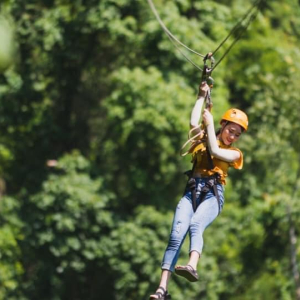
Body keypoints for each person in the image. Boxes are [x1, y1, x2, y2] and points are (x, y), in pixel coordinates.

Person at [149, 82, 248, 300]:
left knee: (196, 225)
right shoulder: (201, 141)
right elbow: (194, 122)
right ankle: (162, 289)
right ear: (224, 126)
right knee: (176, 235)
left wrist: (211, 125)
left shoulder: (235, 154)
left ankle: (192, 266)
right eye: (231, 131)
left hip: (213, 194)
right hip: (191, 191)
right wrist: (201, 96)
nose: (232, 137)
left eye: (237, 134)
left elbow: (215, 149)